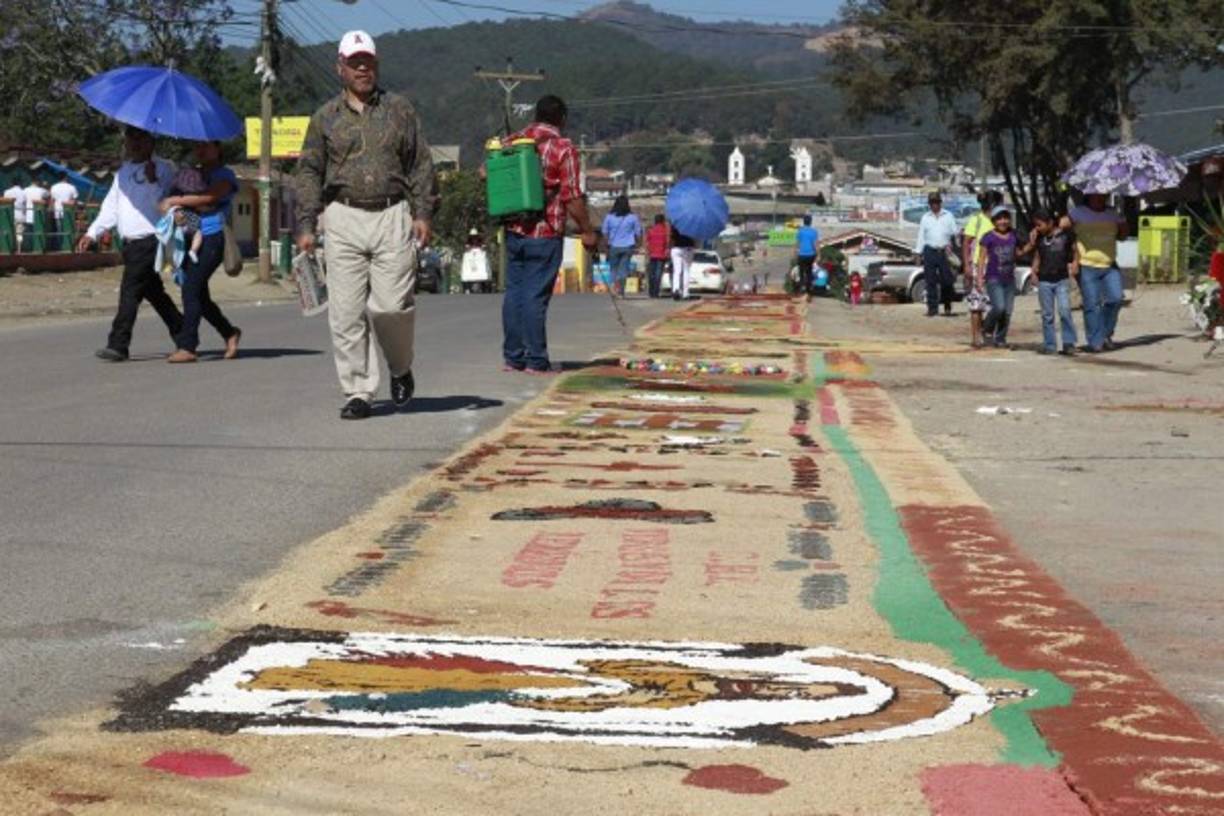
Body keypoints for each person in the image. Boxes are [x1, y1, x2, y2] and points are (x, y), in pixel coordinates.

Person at [296, 30, 436, 419]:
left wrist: (423, 213)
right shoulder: (325, 117)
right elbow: (309, 171)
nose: (362, 69)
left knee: (391, 307)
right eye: (355, 62)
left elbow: (420, 163)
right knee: (345, 313)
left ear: (376, 65)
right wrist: (306, 223)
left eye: (368, 62)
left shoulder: (400, 110)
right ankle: (358, 391)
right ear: (340, 67)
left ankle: (400, 367)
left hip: (392, 214)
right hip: (342, 216)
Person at [501, 94, 597, 373]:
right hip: (545, 231)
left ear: (536, 114)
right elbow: (572, 196)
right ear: (562, 119)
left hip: (513, 228)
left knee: (514, 294)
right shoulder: (563, 148)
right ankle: (536, 359)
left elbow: (486, 172)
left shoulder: (512, 141)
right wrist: (587, 231)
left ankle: (513, 357)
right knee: (535, 297)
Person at [77, 127, 183, 362]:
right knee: (154, 293)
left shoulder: (164, 169)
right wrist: (92, 233)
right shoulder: (123, 172)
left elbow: (167, 205)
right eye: (130, 137)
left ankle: (118, 344)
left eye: (140, 137)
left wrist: (154, 181)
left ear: (151, 141)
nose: (134, 143)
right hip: (130, 244)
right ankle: (183, 333)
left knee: (130, 291)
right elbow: (111, 207)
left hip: (151, 239)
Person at [158, 141, 242, 364]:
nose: (201, 150)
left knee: (191, 288)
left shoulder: (224, 175)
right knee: (199, 295)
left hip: (212, 237)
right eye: (197, 146)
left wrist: (174, 201)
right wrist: (175, 208)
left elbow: (210, 198)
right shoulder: (189, 175)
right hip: (187, 238)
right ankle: (229, 332)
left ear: (218, 149)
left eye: (207, 146)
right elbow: (166, 201)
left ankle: (188, 346)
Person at [1066, 193, 1127, 352]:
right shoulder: (1078, 213)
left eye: (1103, 195)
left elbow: (1123, 236)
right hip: (1087, 265)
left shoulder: (1113, 213)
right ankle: (1095, 341)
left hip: (1109, 264)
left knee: (1116, 298)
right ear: (1089, 196)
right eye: (1097, 195)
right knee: (1092, 305)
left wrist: (1122, 223)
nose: (1100, 197)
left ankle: (1105, 333)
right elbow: (1062, 227)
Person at [976, 205, 1034, 349]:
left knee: (1007, 311)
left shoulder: (1013, 235)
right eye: (999, 219)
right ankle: (986, 327)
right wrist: (979, 278)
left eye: (1005, 218)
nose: (1003, 222)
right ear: (994, 221)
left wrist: (1030, 245)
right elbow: (981, 259)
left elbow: (1018, 253)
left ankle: (1000, 338)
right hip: (993, 278)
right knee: (999, 307)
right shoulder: (988, 237)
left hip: (1009, 279)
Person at [1030, 208, 1079, 356]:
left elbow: (1075, 250)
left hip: (1061, 279)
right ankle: (1050, 345)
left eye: (1039, 225)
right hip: (1044, 281)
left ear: (1050, 222)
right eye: (1036, 225)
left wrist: (1075, 263)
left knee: (1064, 311)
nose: (1037, 228)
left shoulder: (1066, 236)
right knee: (1047, 315)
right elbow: (1038, 255)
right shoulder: (1039, 238)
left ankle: (1069, 343)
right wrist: (1034, 271)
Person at [962, 190, 1000, 345]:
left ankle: (988, 333)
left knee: (995, 304)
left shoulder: (1000, 221)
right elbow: (966, 243)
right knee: (976, 305)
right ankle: (976, 337)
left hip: (995, 266)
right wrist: (967, 265)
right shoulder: (976, 220)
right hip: (978, 266)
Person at [913, 191, 958, 316]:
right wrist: (918, 253)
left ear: (940, 203)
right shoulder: (925, 218)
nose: (934, 205)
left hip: (944, 252)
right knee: (930, 281)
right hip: (929, 251)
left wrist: (952, 245)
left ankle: (947, 306)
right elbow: (921, 236)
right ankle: (932, 309)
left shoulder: (948, 216)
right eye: (932, 202)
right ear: (929, 204)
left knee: (947, 281)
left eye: (936, 202)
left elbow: (955, 233)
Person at [601, 194, 641, 297]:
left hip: (613, 246)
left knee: (613, 268)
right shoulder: (633, 217)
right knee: (624, 269)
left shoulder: (609, 217)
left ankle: (614, 288)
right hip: (628, 246)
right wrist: (638, 244)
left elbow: (605, 232)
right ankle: (621, 291)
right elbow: (638, 233)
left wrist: (606, 244)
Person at [50, 173, 78, 251]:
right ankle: (69, 246)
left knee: (59, 230)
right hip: (69, 213)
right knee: (69, 230)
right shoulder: (72, 187)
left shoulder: (54, 187)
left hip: (57, 212)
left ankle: (60, 247)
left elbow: (52, 201)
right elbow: (74, 200)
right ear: (66, 178)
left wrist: (51, 211)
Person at [795, 214, 821, 300]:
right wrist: (818, 254)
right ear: (811, 222)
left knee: (801, 272)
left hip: (801, 255)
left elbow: (797, 244)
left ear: (803, 222)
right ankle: (808, 292)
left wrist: (795, 254)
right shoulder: (814, 232)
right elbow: (815, 244)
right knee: (809, 273)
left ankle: (801, 290)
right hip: (810, 255)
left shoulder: (800, 231)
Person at [644, 214, 669, 298]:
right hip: (661, 255)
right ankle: (656, 292)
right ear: (663, 221)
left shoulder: (651, 230)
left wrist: (648, 251)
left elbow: (647, 242)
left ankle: (651, 292)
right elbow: (667, 243)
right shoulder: (665, 231)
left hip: (652, 255)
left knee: (651, 274)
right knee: (658, 274)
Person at [21, 177, 48, 252]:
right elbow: (48, 195)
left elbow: (23, 202)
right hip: (39, 215)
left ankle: (28, 248)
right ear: (37, 182)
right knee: (38, 232)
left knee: (28, 232)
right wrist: (45, 186)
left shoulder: (25, 190)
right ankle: (38, 248)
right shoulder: (41, 190)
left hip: (28, 215)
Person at [670, 225, 696, 301]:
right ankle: (685, 293)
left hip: (676, 248)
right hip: (688, 247)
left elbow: (672, 236)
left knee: (677, 271)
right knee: (686, 270)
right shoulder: (693, 225)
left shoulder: (676, 223)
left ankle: (676, 289)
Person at [3, 178, 26, 252]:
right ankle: (19, 249)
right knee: (19, 233)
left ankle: (8, 248)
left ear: (12, 184)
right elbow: (24, 204)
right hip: (20, 214)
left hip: (9, 215)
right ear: (20, 183)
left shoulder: (7, 192)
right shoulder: (23, 192)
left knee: (8, 232)